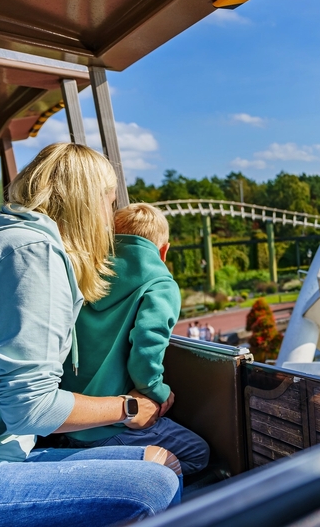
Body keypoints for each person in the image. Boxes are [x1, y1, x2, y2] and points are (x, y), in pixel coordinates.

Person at [0, 144, 180, 526]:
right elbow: (30, 407)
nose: (109, 218)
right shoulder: (30, 252)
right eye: (109, 203)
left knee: (162, 460)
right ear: (88, 202)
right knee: (153, 486)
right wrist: (129, 407)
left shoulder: (14, 242)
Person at [60, 203, 210, 476]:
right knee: (198, 454)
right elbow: (146, 349)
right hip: (109, 427)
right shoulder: (160, 283)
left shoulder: (85, 273)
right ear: (163, 250)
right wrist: (158, 393)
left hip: (67, 419)